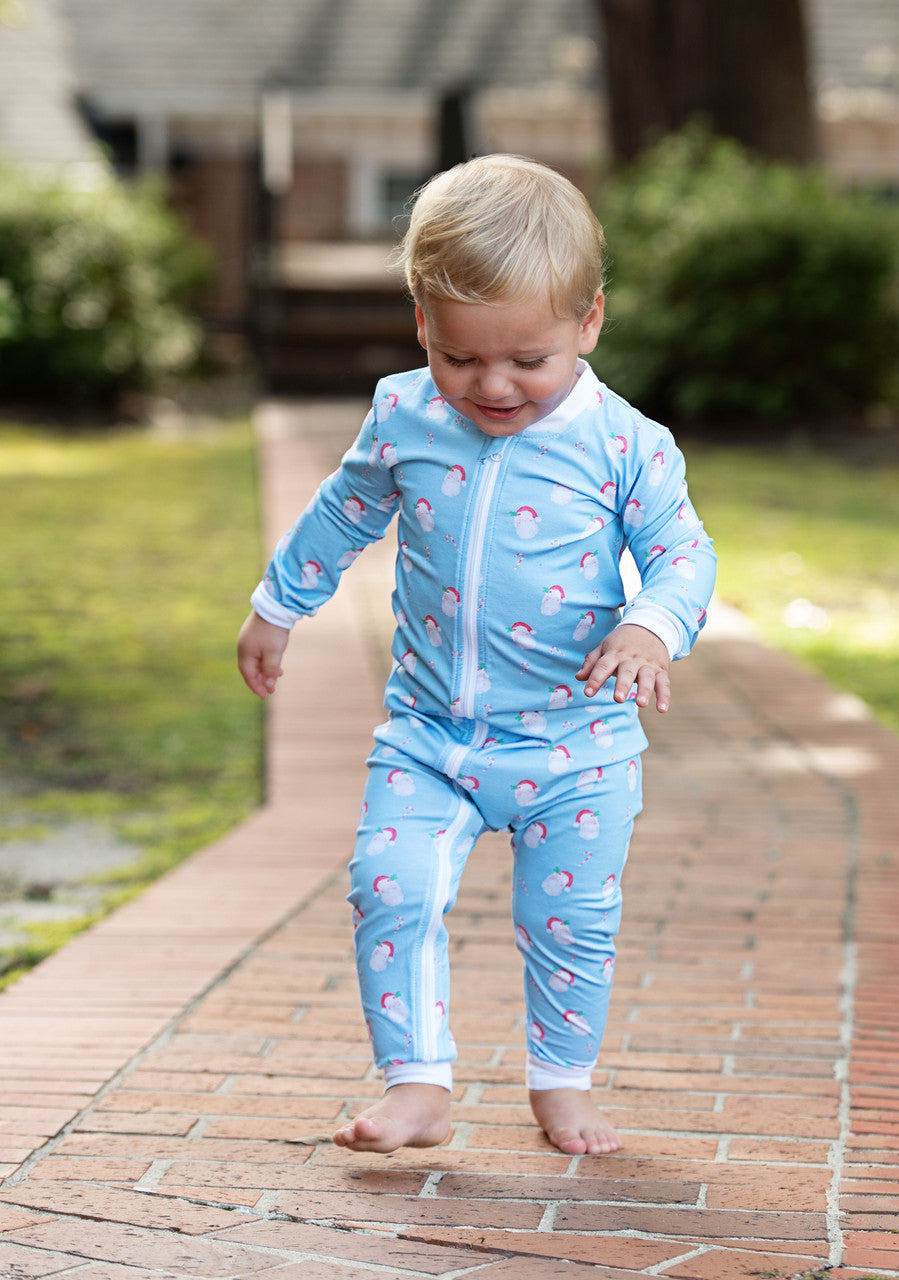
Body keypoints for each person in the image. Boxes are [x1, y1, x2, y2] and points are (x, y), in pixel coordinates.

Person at [237, 154, 716, 1157]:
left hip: (574, 745)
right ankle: (417, 1081)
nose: (493, 385)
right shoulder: (404, 415)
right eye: (461, 360)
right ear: (424, 324)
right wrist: (280, 605)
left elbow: (682, 552)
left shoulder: (627, 444)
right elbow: (343, 513)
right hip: (428, 734)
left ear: (588, 322)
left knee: (568, 924)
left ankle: (562, 1081)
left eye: (527, 360)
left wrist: (649, 626)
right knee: (389, 886)